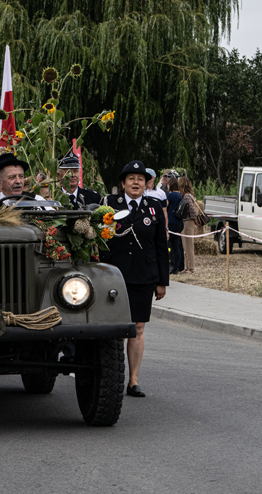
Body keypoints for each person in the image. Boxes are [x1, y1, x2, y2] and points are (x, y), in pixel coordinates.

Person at [100, 160, 168, 398]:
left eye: (140, 179)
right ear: (123, 183)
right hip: (114, 274)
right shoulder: (109, 204)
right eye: (131, 179)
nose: (136, 182)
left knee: (138, 327)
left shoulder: (154, 207)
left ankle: (134, 380)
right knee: (117, 329)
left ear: (146, 184)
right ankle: (114, 375)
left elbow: (161, 245)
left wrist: (162, 281)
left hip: (144, 275)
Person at [179, 176, 198, 274]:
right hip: (186, 222)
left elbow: (192, 210)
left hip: (188, 222)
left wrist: (195, 220)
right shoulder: (188, 195)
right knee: (185, 245)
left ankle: (190, 267)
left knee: (188, 245)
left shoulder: (186, 196)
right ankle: (187, 266)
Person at [166, 177, 183, 274]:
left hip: (171, 222)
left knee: (167, 245)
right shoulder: (180, 195)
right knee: (176, 246)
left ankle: (168, 265)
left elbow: (165, 206)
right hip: (179, 223)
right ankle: (176, 267)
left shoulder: (171, 195)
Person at [144, 168, 168, 236]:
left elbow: (164, 213)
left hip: (156, 223)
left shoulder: (161, 193)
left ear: (153, 178)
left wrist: (166, 229)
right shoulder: (140, 191)